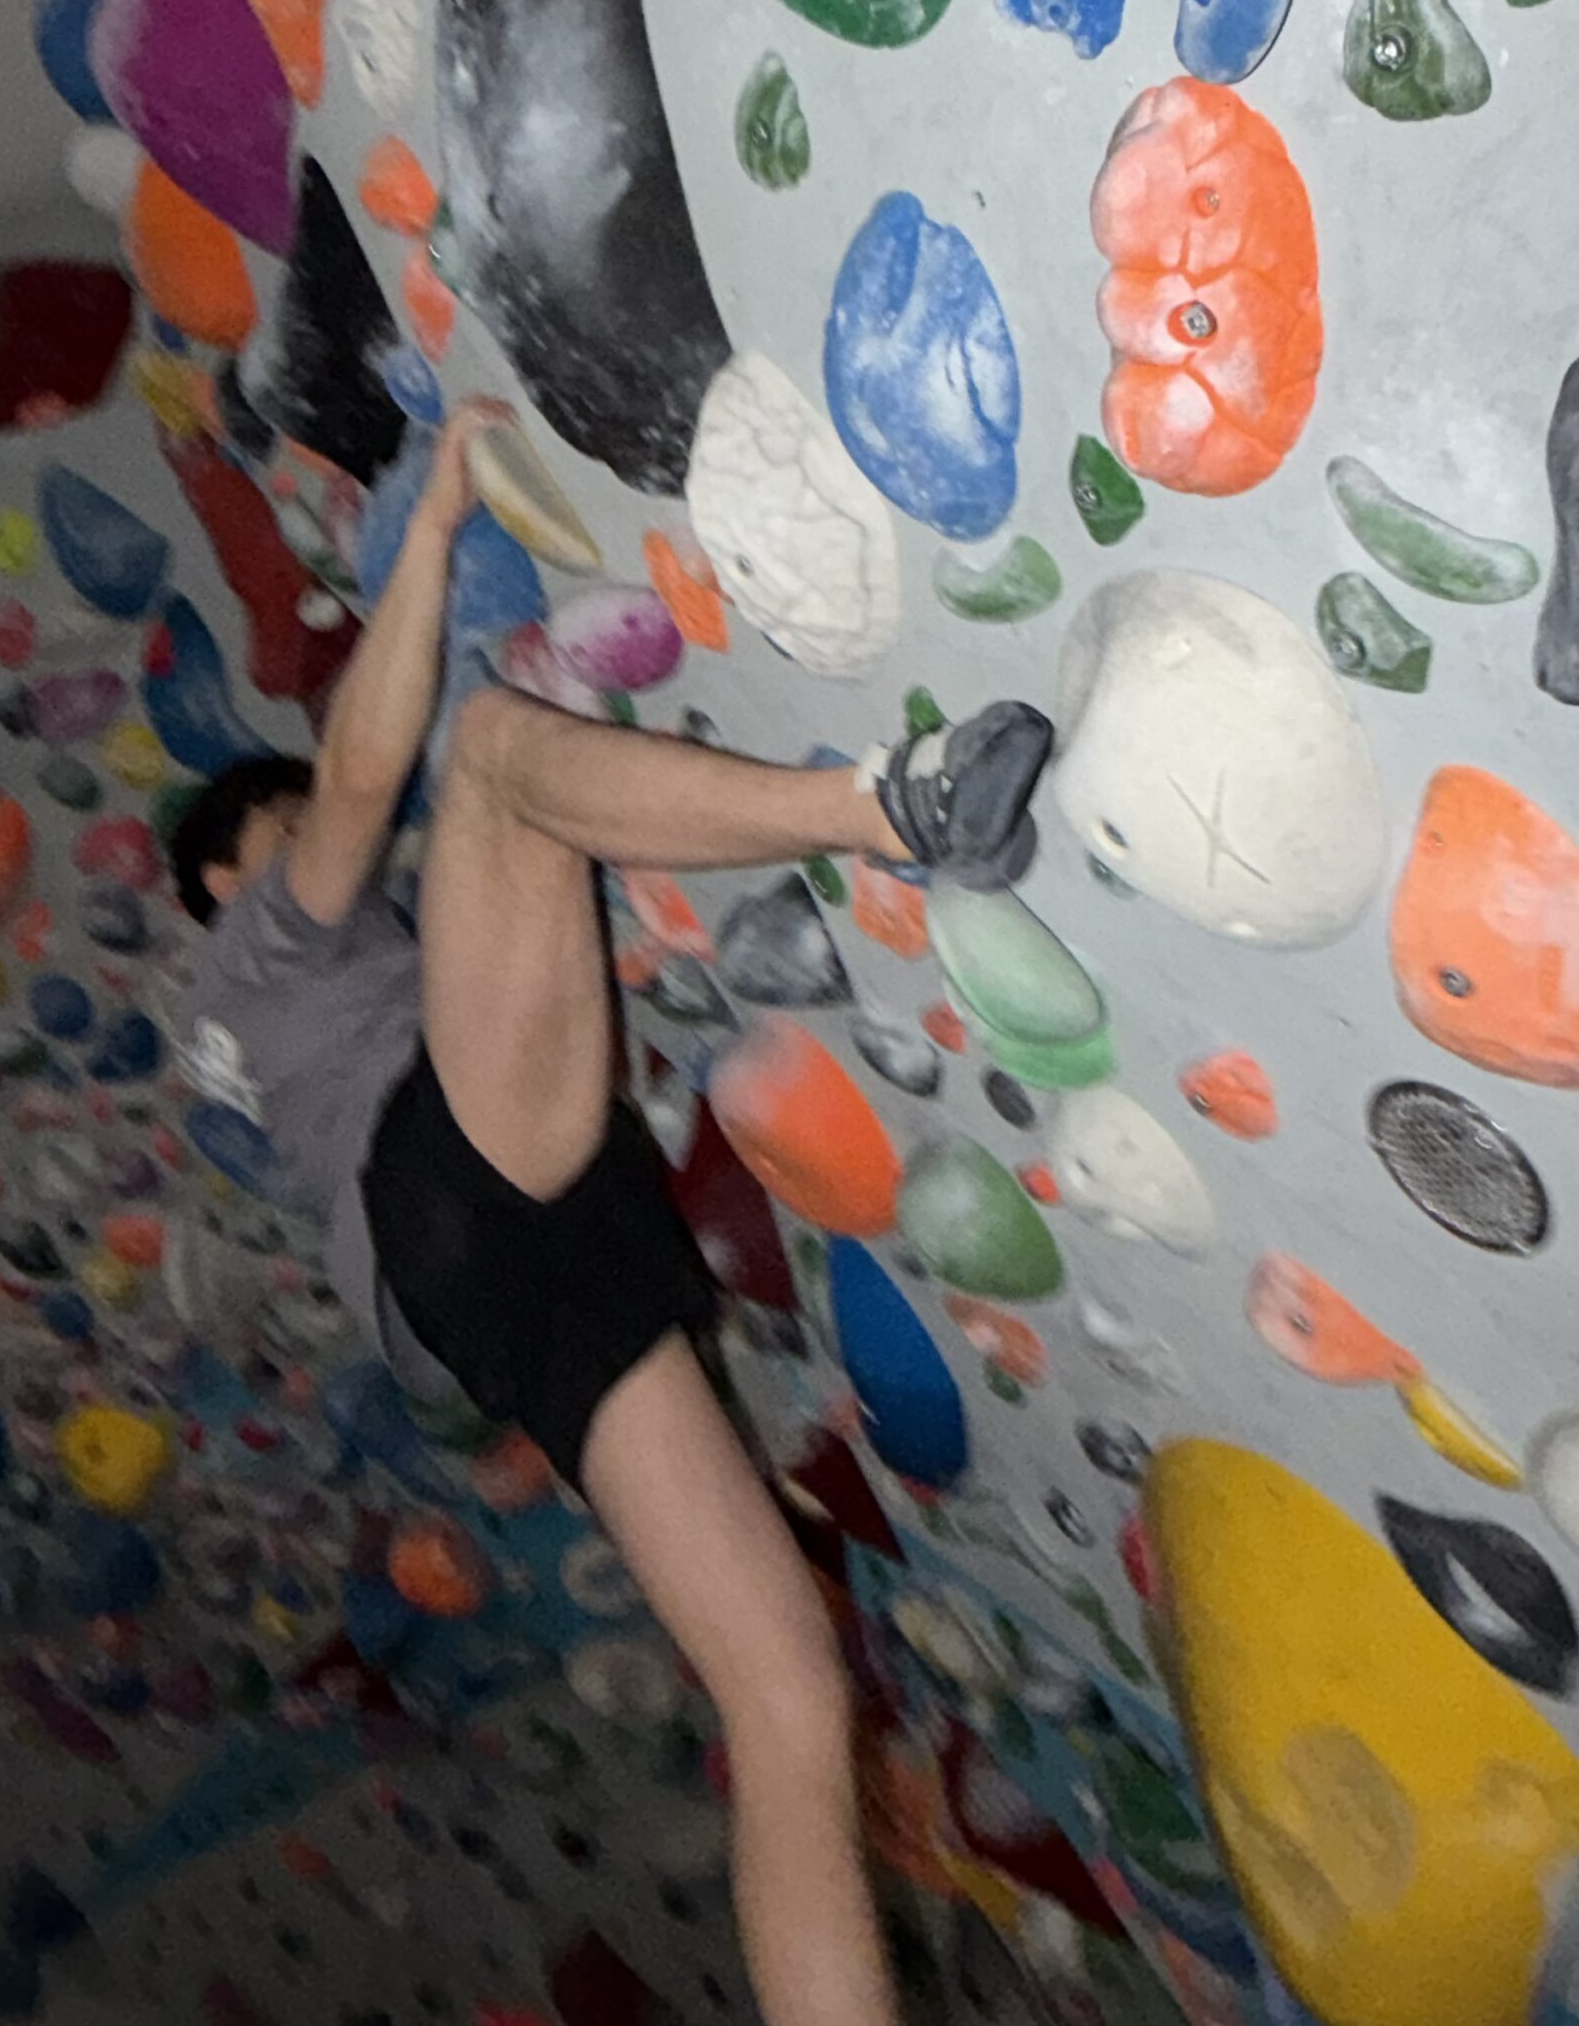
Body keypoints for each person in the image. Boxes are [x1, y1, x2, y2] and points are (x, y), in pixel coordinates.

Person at [171, 396, 1050, 2026]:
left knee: (786, 1696)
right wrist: (432, 528)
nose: (318, 856)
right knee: (498, 761)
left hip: (511, 1279)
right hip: (461, 1195)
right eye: (273, 836)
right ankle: (895, 808)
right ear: (228, 876)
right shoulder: (252, 952)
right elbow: (362, 778)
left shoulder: (313, 1018)